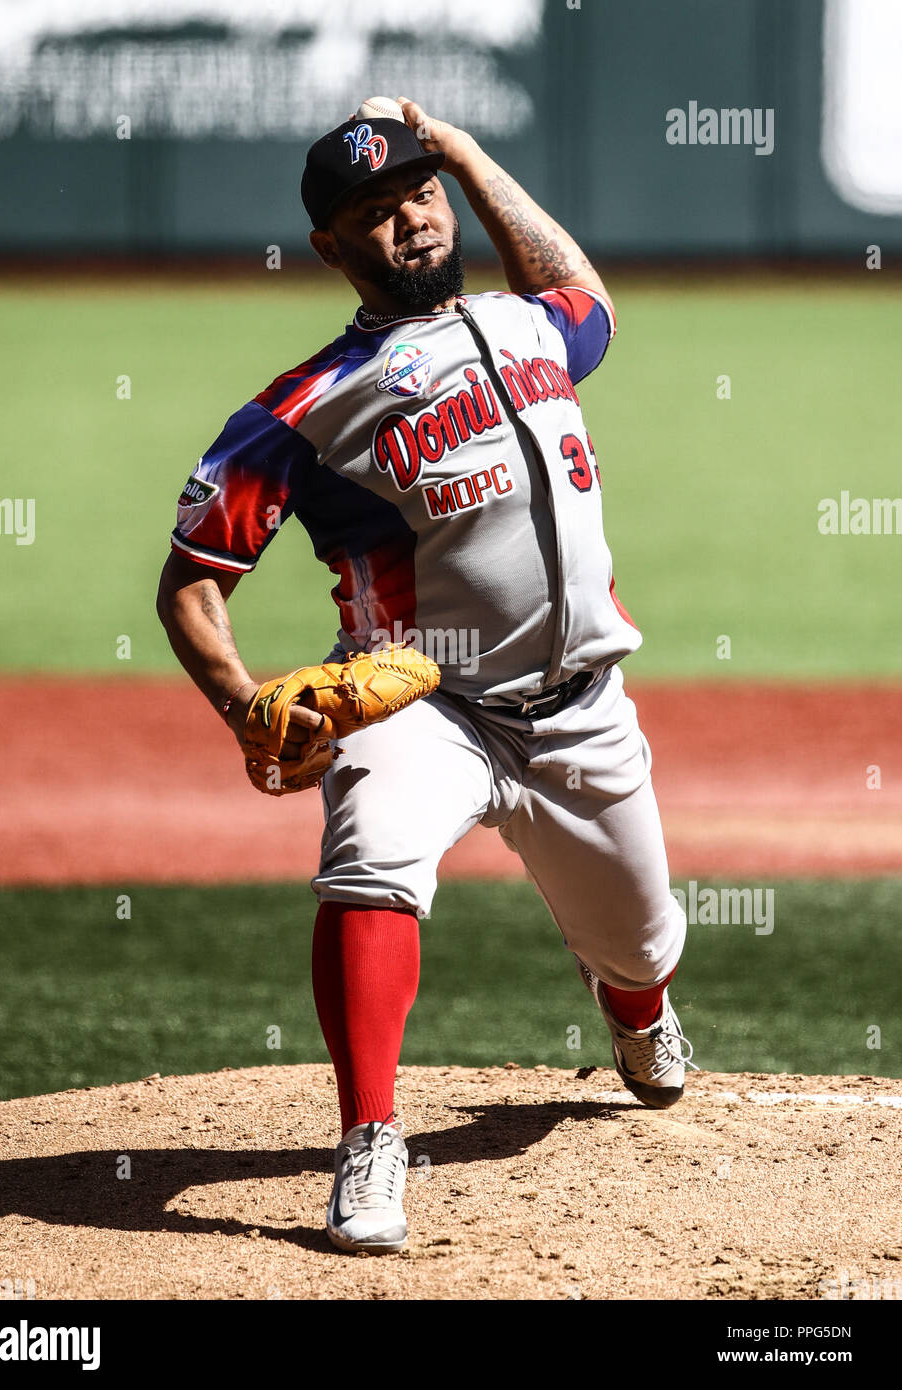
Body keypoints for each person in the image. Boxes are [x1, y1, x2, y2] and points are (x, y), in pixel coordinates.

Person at [156, 98, 695, 1256]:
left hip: (580, 710)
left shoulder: (529, 327)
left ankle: (632, 1005)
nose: (407, 222)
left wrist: (461, 150)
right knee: (369, 863)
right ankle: (368, 1139)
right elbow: (191, 582)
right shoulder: (299, 410)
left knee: (645, 945)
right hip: (418, 700)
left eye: (417, 195)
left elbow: (587, 294)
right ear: (331, 246)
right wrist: (242, 702)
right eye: (372, 211)